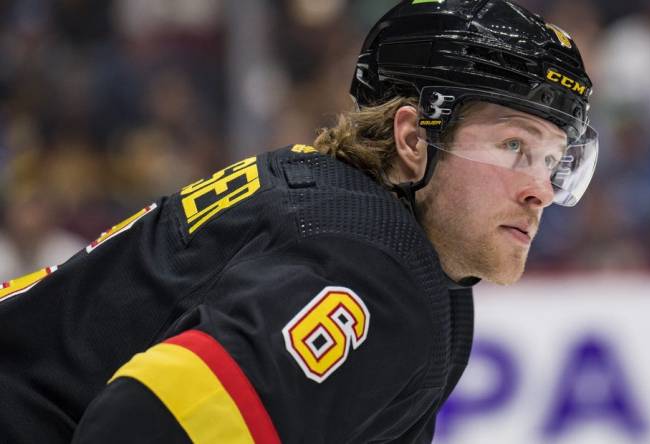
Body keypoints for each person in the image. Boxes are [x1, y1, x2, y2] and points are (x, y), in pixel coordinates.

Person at [0, 0, 597, 442]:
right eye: (514, 147)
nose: (539, 190)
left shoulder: (347, 213)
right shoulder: (374, 271)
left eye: (552, 159)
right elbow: (137, 426)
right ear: (413, 138)